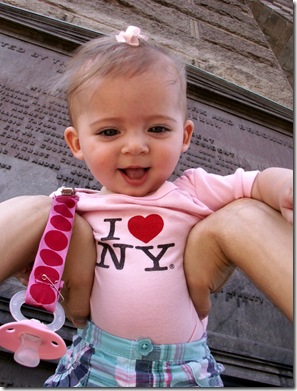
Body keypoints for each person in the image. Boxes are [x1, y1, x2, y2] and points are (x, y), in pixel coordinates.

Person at [0, 25, 293, 387]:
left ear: (184, 136)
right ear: (77, 143)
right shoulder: (74, 207)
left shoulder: (194, 189)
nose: (136, 145)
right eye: (110, 132)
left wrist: (285, 186)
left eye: (157, 129)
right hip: (97, 360)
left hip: (186, 368)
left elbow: (253, 181)